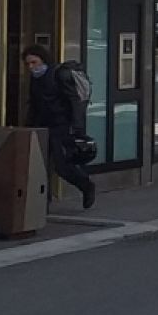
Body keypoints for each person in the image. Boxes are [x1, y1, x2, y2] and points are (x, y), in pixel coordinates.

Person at [23, 44, 96, 210]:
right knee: (40, 167)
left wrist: (77, 128)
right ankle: (43, 204)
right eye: (28, 64)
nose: (31, 67)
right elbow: (34, 104)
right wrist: (28, 127)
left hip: (61, 127)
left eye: (34, 62)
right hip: (42, 126)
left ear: (43, 60)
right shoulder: (35, 80)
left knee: (62, 166)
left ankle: (86, 185)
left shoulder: (59, 75)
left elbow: (74, 102)